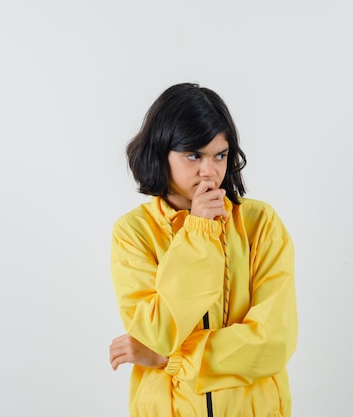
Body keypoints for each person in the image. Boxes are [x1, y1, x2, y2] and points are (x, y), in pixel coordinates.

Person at [109, 82, 298, 417]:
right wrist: (198, 232)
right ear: (160, 153)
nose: (210, 171)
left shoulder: (261, 224)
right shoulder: (133, 233)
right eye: (193, 155)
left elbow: (273, 342)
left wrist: (173, 359)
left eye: (220, 155)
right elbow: (155, 333)